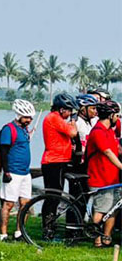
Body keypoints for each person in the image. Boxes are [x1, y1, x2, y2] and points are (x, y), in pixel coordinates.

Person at [41, 93, 81, 237]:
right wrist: (73, 122)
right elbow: (72, 132)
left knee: (55, 197)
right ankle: (47, 229)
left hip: (60, 161)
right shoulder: (54, 118)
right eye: (69, 110)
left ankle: (50, 227)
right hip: (53, 162)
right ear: (62, 109)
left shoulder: (56, 118)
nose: (70, 114)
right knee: (53, 197)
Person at [0, 99, 35, 240]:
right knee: (9, 204)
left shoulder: (24, 130)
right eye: (27, 117)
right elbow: (3, 151)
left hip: (25, 172)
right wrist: (6, 172)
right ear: (19, 115)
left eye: (31, 118)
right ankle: (3, 234)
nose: (29, 120)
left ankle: (19, 232)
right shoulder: (8, 129)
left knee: (24, 203)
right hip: (12, 171)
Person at [85, 99, 122, 247]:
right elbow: (107, 152)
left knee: (114, 208)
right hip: (100, 178)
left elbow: (117, 150)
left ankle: (106, 237)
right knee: (101, 210)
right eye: (117, 115)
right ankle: (96, 239)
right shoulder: (98, 132)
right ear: (111, 115)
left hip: (112, 178)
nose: (118, 118)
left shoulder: (109, 132)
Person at [69, 93, 100, 212]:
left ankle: (80, 224)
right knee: (76, 198)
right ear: (83, 109)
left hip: (88, 163)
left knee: (85, 197)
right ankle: (72, 228)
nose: (95, 111)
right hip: (77, 164)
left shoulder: (91, 122)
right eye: (92, 108)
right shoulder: (75, 122)